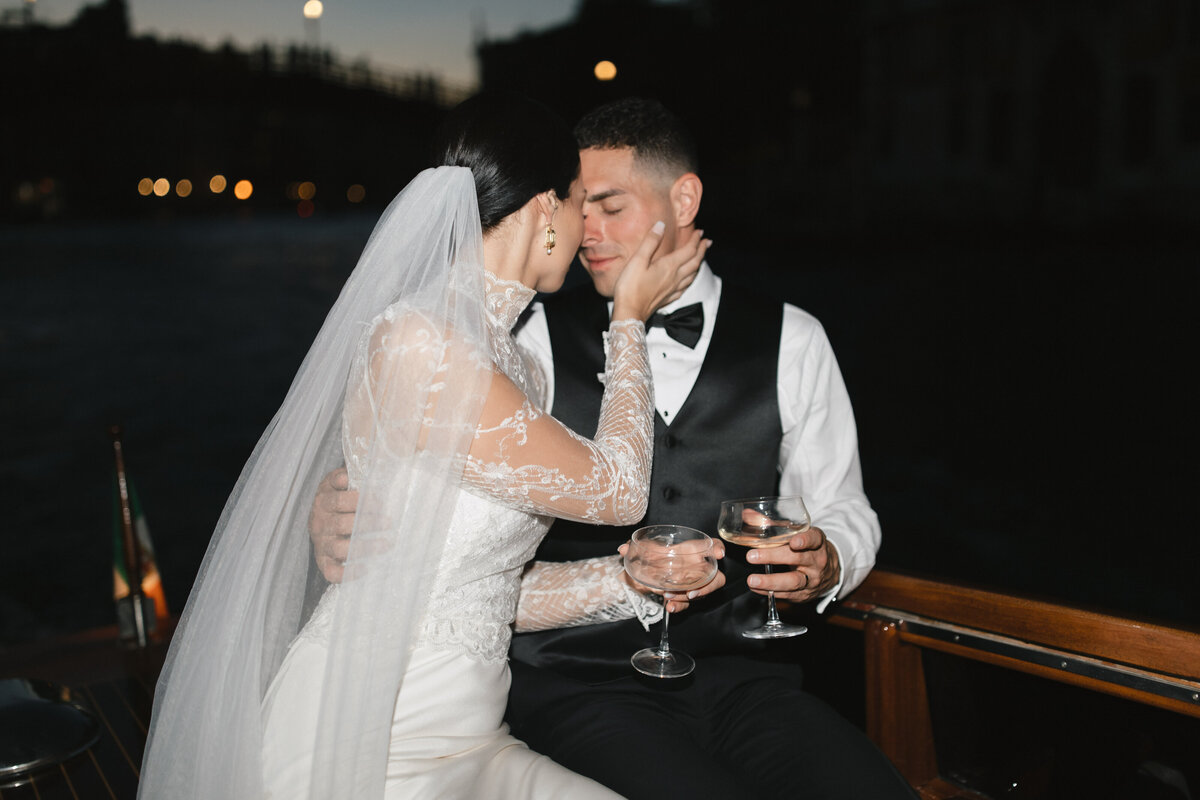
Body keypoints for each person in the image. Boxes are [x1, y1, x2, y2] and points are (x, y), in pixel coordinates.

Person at [313, 97, 916, 799]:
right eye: (580, 205)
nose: (588, 231)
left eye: (610, 206)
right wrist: (335, 506)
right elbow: (423, 459)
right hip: (573, 684)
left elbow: (845, 504)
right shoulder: (525, 342)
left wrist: (830, 556)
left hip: (747, 680)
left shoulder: (797, 340)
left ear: (684, 198)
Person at [137, 92, 717, 800]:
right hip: (361, 735)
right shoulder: (419, 343)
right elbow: (618, 492)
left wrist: (633, 583)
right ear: (545, 208)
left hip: (472, 738)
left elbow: (483, 591)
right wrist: (627, 319)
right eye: (577, 203)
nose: (585, 226)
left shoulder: (518, 363)